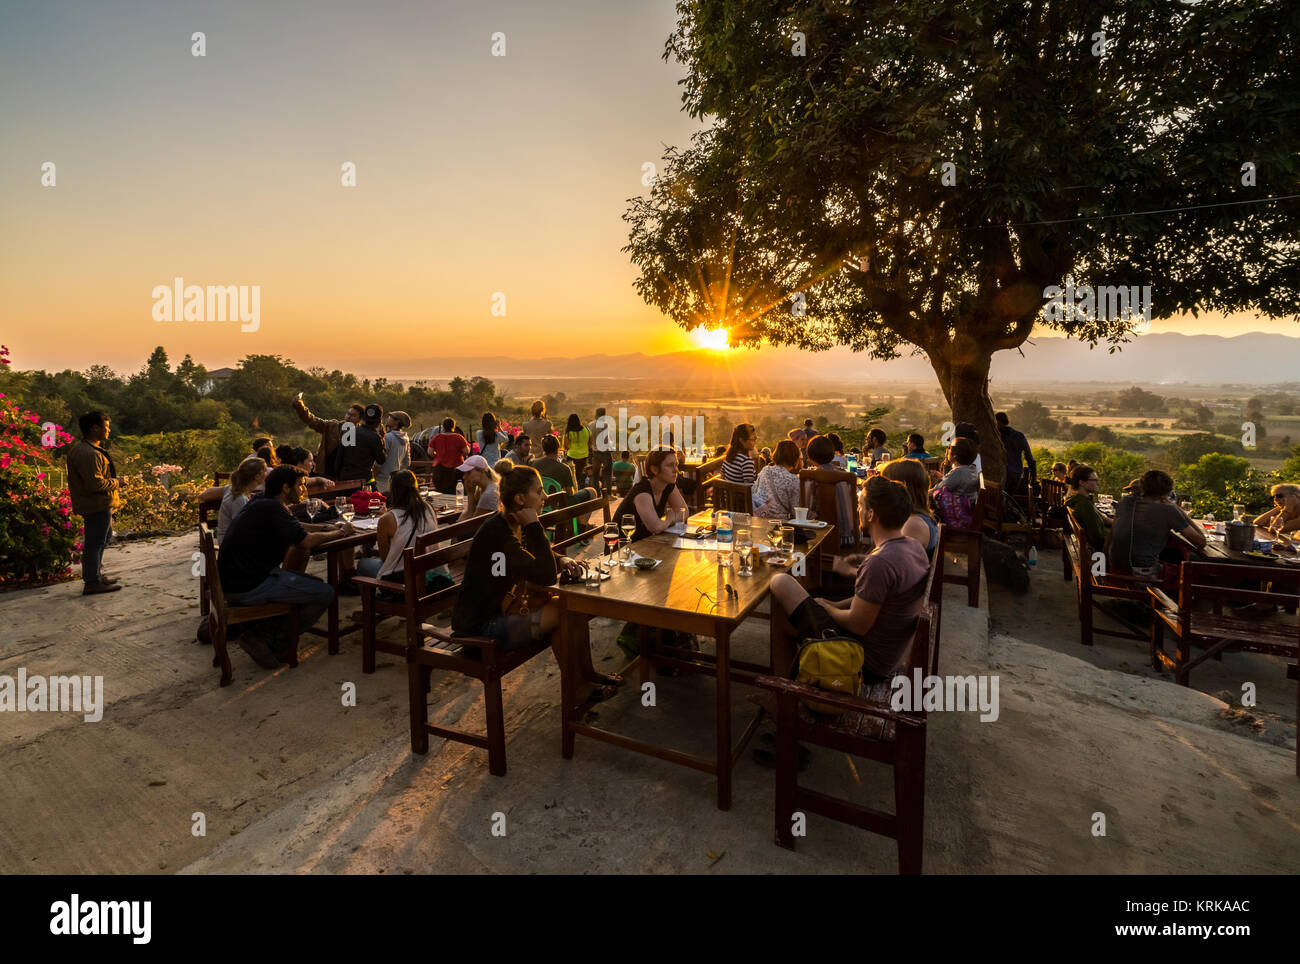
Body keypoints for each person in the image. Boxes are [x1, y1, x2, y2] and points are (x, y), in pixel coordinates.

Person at [452, 465, 621, 699]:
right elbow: (546, 575)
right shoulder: (499, 532)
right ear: (520, 498)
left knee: (572, 605)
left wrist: (561, 559)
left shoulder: (510, 521)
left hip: (506, 614)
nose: (545, 496)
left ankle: (586, 676)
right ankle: (577, 687)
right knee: (567, 607)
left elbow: (537, 558)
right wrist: (534, 525)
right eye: (539, 491)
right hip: (483, 629)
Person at [769, 476, 930, 682]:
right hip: (887, 652)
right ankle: (787, 690)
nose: (857, 510)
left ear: (871, 514)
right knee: (788, 610)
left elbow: (857, 624)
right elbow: (870, 603)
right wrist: (832, 603)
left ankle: (785, 696)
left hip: (862, 660)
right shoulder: (912, 546)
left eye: (860, 504)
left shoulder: (880, 563)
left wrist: (827, 609)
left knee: (780, 582)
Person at [217, 466, 353, 669]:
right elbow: (305, 541)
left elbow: (295, 526)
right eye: (300, 486)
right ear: (285, 487)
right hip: (248, 585)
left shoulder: (262, 502)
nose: (303, 491)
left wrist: (327, 527)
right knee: (324, 592)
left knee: (310, 584)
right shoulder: (272, 508)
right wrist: (341, 533)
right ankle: (266, 638)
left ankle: (266, 631)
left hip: (236, 579)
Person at [356, 470, 449, 587]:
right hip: (428, 572)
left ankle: (377, 601)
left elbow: (385, 558)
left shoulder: (387, 520)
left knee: (363, 564)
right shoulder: (428, 508)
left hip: (403, 581)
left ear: (393, 491)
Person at [1110, 470, 1206, 580]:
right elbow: (1201, 542)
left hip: (1115, 569)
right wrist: (1176, 507)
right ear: (1168, 492)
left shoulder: (1124, 501)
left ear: (1143, 486)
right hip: (1143, 576)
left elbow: (1112, 535)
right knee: (1193, 569)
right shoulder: (1168, 510)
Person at [66, 411, 122, 595]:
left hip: (99, 504)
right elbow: (94, 483)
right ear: (95, 428)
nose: (109, 430)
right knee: (94, 543)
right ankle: (92, 582)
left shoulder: (88, 449)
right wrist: (118, 482)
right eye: (106, 427)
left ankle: (96, 576)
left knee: (102, 540)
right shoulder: (88, 453)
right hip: (96, 505)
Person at [612, 448, 689, 541]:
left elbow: (684, 512)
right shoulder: (642, 492)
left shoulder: (668, 485)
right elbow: (656, 527)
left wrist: (666, 521)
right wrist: (670, 518)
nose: (676, 470)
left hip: (645, 544)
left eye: (676, 465)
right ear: (654, 469)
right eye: (670, 465)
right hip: (622, 548)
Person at [802, 434, 857, 547]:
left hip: (818, 539)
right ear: (832, 454)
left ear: (809, 456)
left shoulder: (809, 478)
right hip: (847, 539)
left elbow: (806, 510)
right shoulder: (845, 477)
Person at [292, 396, 363, 480]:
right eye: (348, 414)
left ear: (360, 420)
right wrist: (300, 406)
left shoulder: (361, 434)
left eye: (353, 416)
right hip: (326, 472)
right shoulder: (332, 426)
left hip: (347, 476)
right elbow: (312, 420)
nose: (348, 417)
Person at [880, 458, 938, 556]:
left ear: (902, 487)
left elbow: (898, 565)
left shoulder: (913, 525)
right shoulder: (917, 517)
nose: (882, 490)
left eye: (887, 485)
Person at [931, 437, 980, 529]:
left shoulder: (959, 472)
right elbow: (951, 482)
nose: (947, 450)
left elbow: (935, 491)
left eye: (949, 448)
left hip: (956, 515)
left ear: (955, 456)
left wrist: (919, 493)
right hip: (966, 510)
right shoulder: (971, 469)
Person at [217, 457, 268, 543]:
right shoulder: (240, 498)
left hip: (230, 540)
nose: (267, 474)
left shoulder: (234, 489)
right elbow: (241, 529)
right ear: (257, 476)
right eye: (265, 471)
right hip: (230, 545)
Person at [753, 440, 803, 520]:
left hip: (759, 517)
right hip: (779, 523)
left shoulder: (765, 470)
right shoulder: (794, 479)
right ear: (795, 457)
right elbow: (795, 511)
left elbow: (754, 491)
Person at [1064, 464, 1109, 551]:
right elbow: (1097, 539)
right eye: (1094, 480)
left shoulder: (1075, 500)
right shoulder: (1084, 505)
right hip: (1098, 552)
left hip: (1084, 545)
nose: (1098, 483)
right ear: (1081, 483)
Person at [996, 411, 1036, 497]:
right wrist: (1033, 476)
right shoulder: (1019, 435)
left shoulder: (996, 436)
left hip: (1003, 473)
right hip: (1016, 473)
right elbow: (1029, 456)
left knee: (1000, 499)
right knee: (1009, 497)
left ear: (997, 422)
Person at [430, 417, 470, 494]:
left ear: (443, 427)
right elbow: (466, 451)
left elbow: (430, 452)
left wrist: (438, 455)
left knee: (442, 492)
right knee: (456, 492)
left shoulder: (437, 437)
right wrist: (460, 453)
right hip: (457, 470)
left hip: (441, 470)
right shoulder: (459, 437)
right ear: (453, 426)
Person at [456, 455, 501, 520]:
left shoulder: (489, 494)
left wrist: (470, 494)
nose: (464, 477)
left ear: (481, 470)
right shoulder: (482, 489)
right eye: (464, 473)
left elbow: (471, 522)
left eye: (468, 472)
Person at [375, 411, 412, 490]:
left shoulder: (388, 437)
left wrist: (373, 476)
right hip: (395, 480)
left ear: (397, 421)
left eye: (390, 417)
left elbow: (380, 460)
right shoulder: (406, 438)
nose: (387, 419)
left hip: (381, 480)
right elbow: (407, 462)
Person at [588, 407, 615, 495]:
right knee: (607, 473)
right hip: (604, 452)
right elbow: (606, 440)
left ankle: (596, 494)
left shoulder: (590, 424)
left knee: (595, 474)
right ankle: (608, 494)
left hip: (595, 452)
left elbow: (590, 439)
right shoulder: (604, 424)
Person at [563, 413, 593, 487]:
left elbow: (566, 446)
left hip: (572, 456)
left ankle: (574, 489)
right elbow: (590, 444)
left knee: (572, 475)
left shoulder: (569, 432)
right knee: (579, 474)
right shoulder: (587, 430)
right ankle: (579, 487)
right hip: (584, 456)